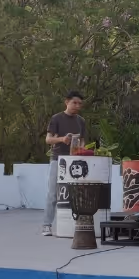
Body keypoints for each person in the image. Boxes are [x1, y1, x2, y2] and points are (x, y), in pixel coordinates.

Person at [42, 90, 86, 236]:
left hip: (75, 162)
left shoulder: (81, 121)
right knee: (53, 193)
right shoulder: (56, 118)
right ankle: (47, 225)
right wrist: (62, 139)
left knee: (75, 194)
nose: (77, 106)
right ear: (66, 102)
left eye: (79, 103)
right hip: (58, 160)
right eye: (74, 102)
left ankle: (75, 224)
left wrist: (82, 151)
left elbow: (83, 142)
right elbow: (48, 140)